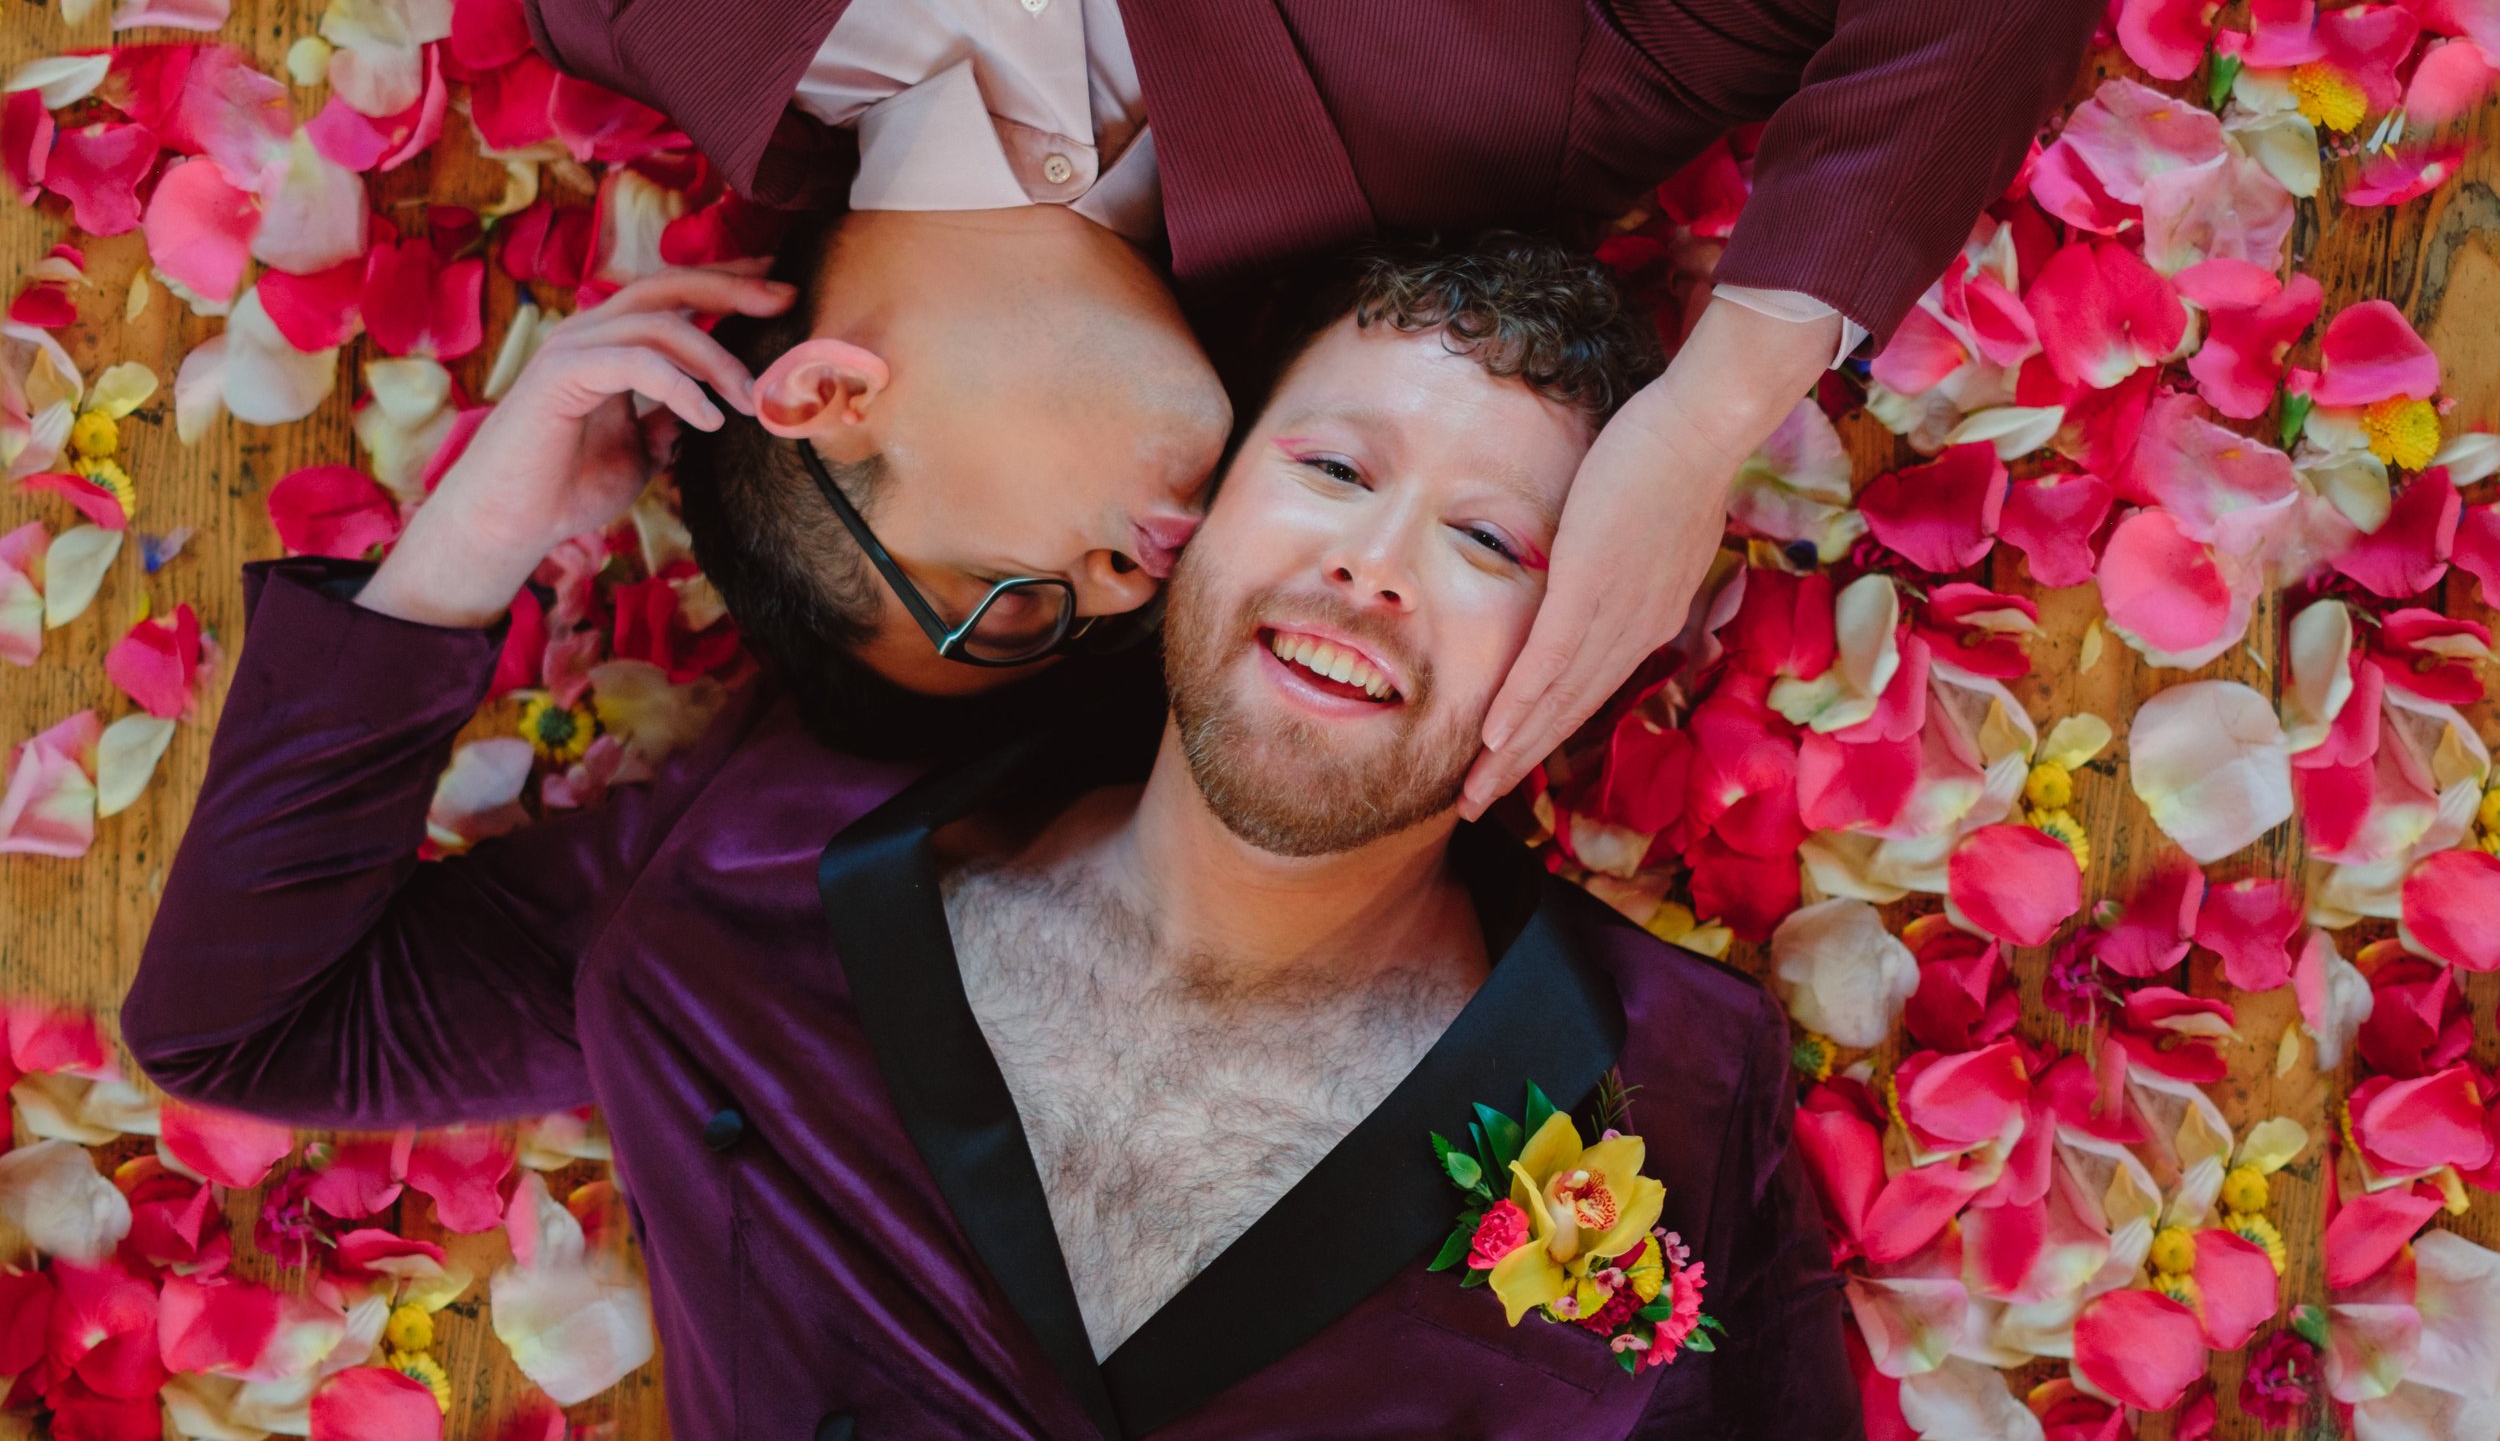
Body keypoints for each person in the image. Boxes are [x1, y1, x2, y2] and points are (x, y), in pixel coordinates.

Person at [122, 237, 1855, 1439]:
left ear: (1604, 633)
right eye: (1330, 468)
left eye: (1495, 537)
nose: (1375, 565)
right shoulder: (755, 861)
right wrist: (479, 534)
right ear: (1200, 509)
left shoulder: (1676, 1082)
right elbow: (246, 1016)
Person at [499, 0, 2175, 803]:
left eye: (1006, 602)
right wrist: (1709, 415)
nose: (1112, 591)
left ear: (821, 399)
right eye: (1094, 631)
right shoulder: (1494, 127)